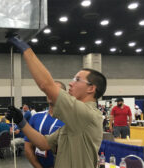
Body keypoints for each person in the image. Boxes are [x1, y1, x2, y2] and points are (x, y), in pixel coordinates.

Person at [6, 36, 107, 167]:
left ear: (91, 88)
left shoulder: (88, 115)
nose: (70, 83)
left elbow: (46, 85)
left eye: (77, 80)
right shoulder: (73, 123)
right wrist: (21, 122)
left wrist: (26, 50)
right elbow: (43, 143)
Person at [25, 81, 65, 168]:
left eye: (55, 90)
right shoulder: (36, 117)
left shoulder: (70, 120)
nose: (50, 93)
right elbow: (28, 147)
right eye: (48, 90)